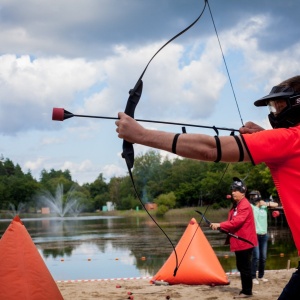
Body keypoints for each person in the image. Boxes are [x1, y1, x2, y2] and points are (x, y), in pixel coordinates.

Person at [116, 75, 300, 299]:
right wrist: (266, 138)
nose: (274, 112)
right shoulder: (287, 141)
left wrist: (140, 134)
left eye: (280, 106)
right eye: (273, 106)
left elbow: (209, 149)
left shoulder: (289, 139)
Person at [210, 178, 257, 298]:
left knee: (245, 267)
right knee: (241, 266)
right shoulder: (237, 205)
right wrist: (222, 227)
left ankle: (247, 291)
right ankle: (245, 289)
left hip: (245, 242)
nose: (233, 192)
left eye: (236, 190)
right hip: (239, 241)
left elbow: (237, 222)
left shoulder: (244, 205)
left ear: (243, 192)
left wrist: (220, 224)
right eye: (232, 190)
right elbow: (232, 222)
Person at [248, 190, 278, 285]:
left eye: (254, 196)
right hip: (254, 235)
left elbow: (276, 204)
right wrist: (257, 205)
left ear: (258, 196)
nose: (252, 198)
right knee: (256, 257)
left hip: (264, 234)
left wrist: (266, 203)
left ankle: (261, 276)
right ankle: (253, 276)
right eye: (251, 196)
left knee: (263, 257)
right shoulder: (251, 207)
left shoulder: (264, 206)